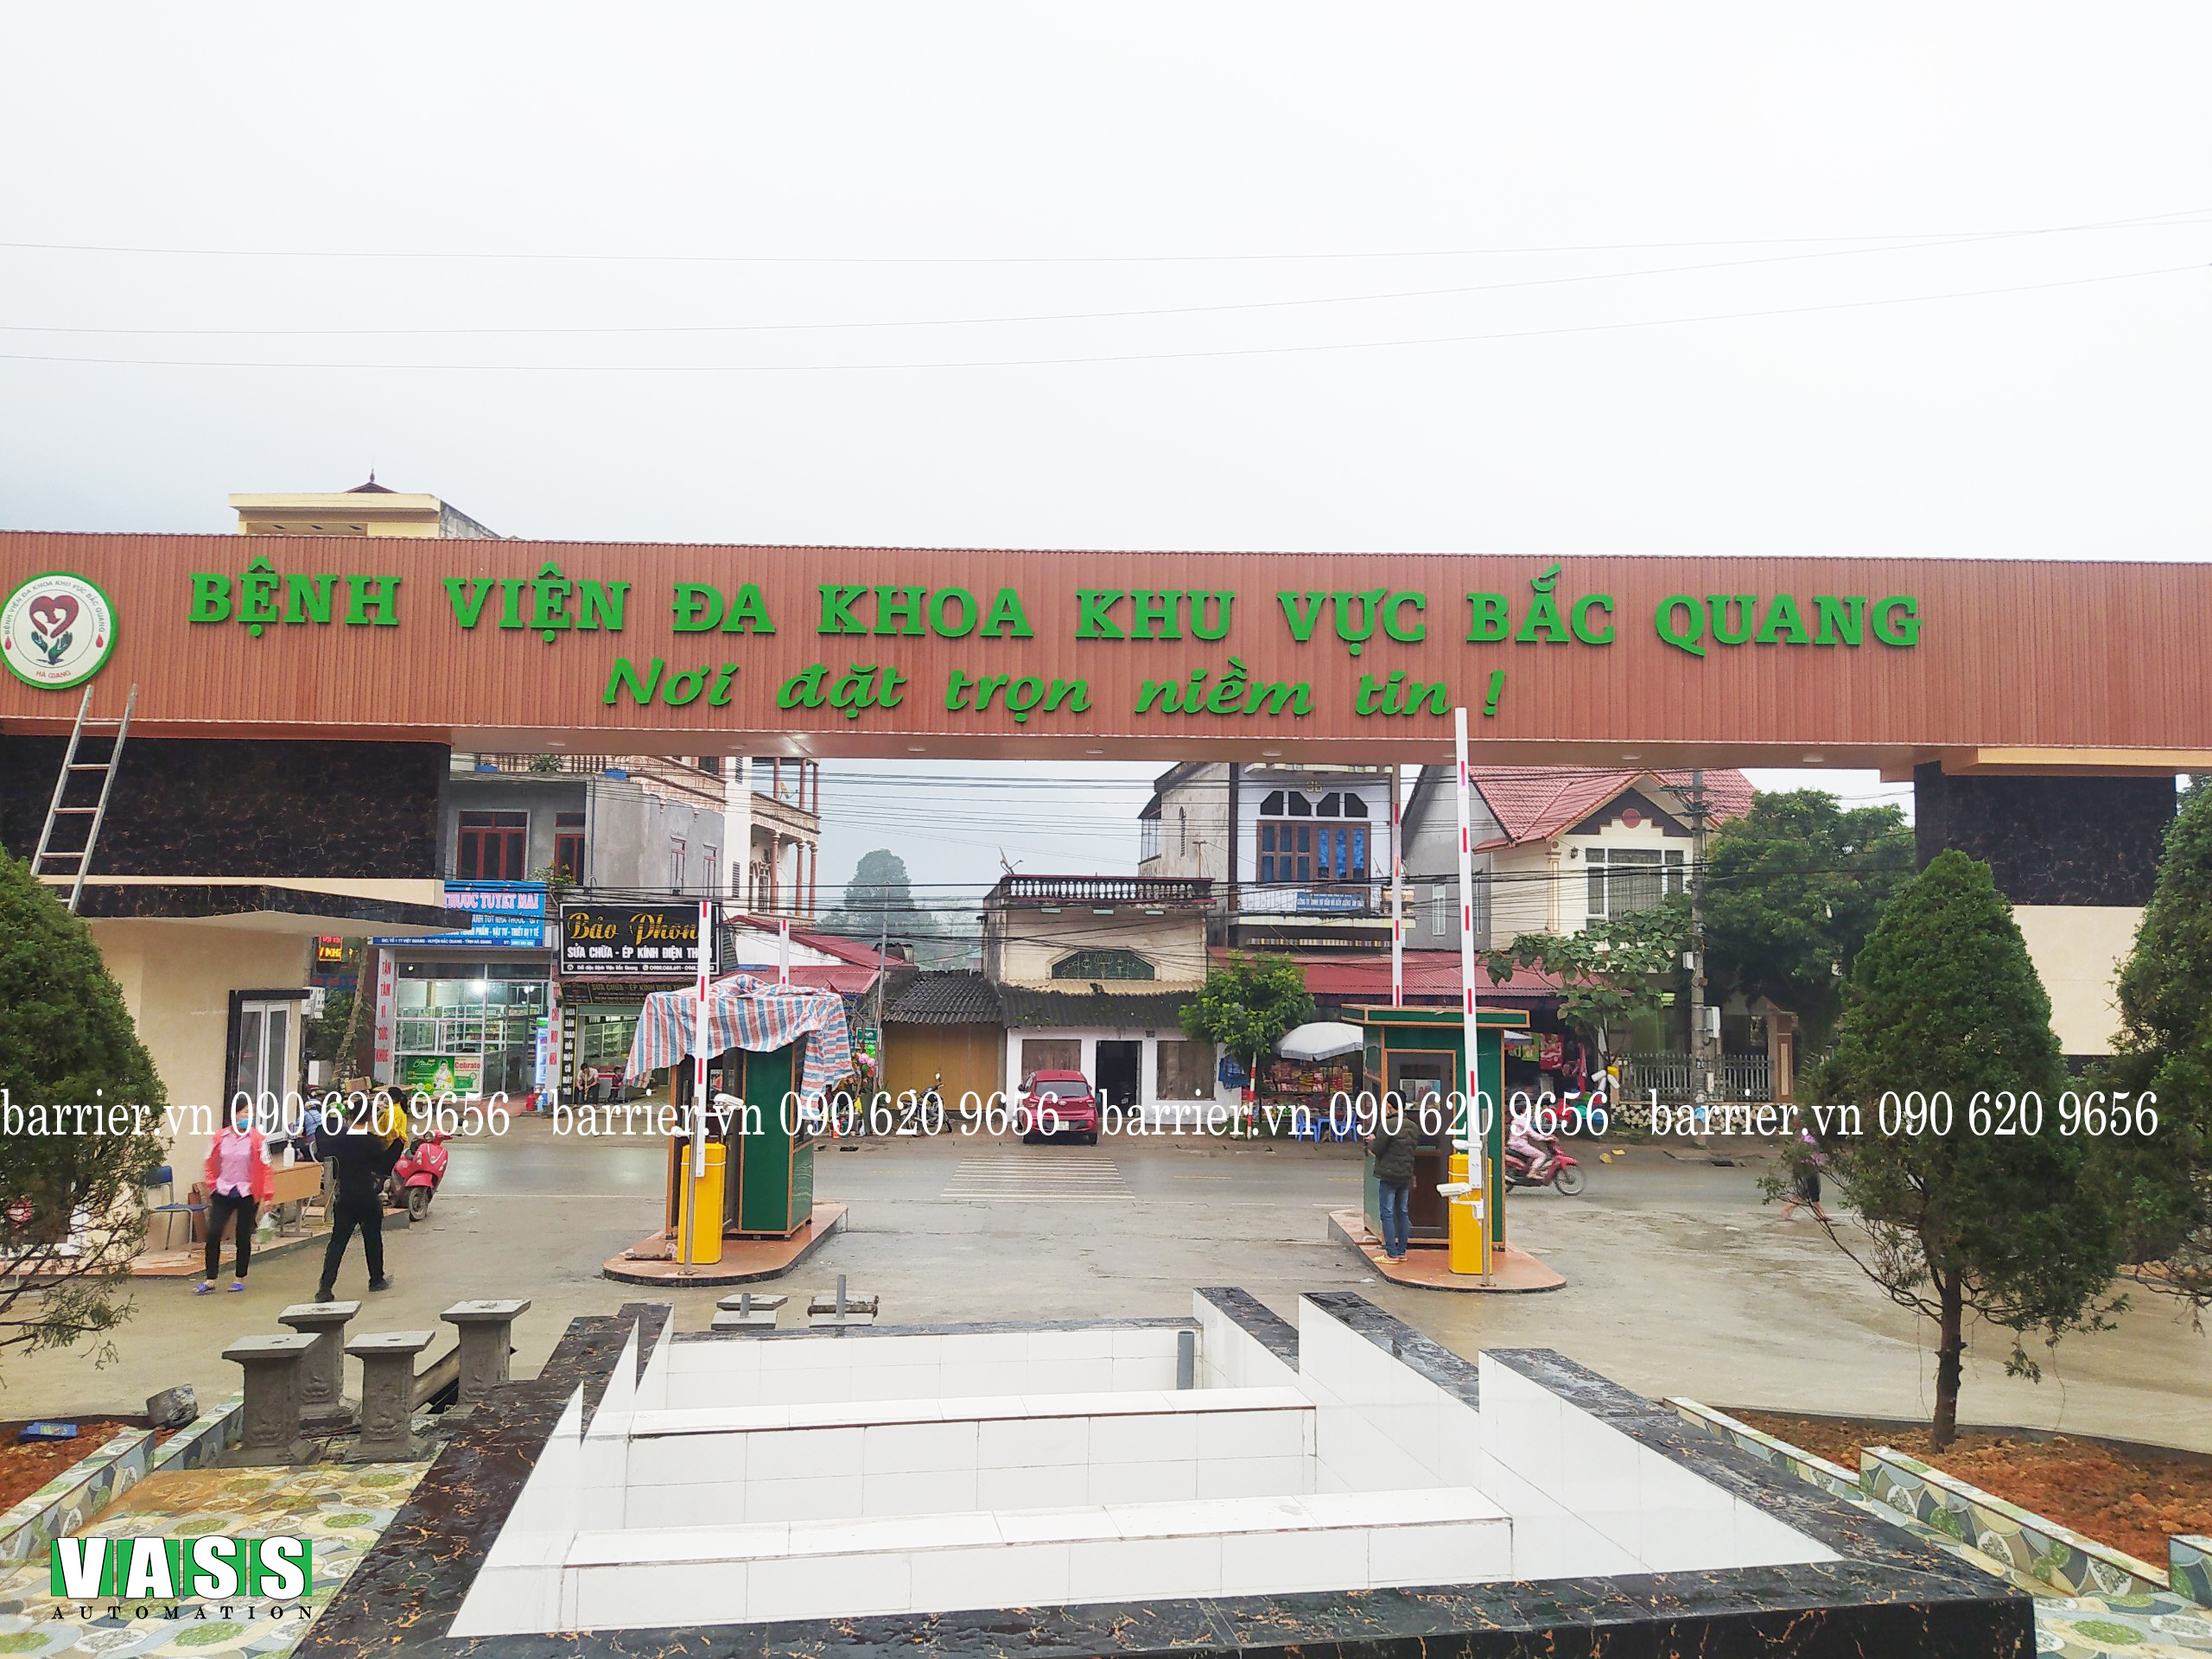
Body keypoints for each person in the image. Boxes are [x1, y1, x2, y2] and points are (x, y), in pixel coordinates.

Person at [315, 1093, 404, 1300]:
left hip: (345, 1197)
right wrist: (398, 1145)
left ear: (349, 1117)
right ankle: (376, 1280)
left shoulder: (340, 1139)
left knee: (337, 1243)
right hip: (368, 1197)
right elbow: (383, 1166)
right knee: (372, 1239)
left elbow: (321, 1152)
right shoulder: (372, 1142)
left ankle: (325, 1288)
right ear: (370, 1118)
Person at [197, 1102, 273, 1294]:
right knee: (214, 1232)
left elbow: (266, 1167)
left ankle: (239, 1277)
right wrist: (212, 1186)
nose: (249, 1117)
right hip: (223, 1190)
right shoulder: (219, 1137)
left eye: (251, 1113)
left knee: (243, 1235)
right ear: (234, 1115)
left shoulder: (258, 1138)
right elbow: (209, 1162)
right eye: (245, 1112)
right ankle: (211, 1278)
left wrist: (267, 1195)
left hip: (248, 1191)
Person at [1366, 1102, 1421, 1263]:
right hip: (1405, 1174)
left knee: (1387, 1213)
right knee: (1402, 1212)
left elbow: (1377, 1149)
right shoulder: (1413, 1126)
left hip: (1389, 1175)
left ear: (1390, 1106)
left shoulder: (1388, 1125)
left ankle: (1391, 1253)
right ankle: (1402, 1251)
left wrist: (1372, 1141)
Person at [1777, 1127, 1830, 1223]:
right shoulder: (1809, 1140)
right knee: (1809, 1193)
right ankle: (1786, 1210)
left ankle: (1820, 1214)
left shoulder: (1804, 1139)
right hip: (1808, 1168)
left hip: (1806, 1168)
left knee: (1811, 1193)